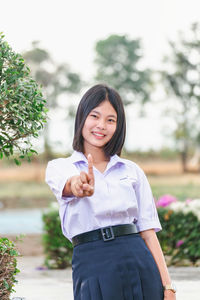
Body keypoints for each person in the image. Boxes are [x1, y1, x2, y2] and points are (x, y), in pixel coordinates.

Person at [45, 84, 176, 300]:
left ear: (118, 126)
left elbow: (148, 231)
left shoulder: (132, 171)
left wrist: (168, 286)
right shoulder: (60, 167)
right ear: (82, 118)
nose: (101, 125)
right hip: (91, 264)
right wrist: (79, 185)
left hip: (138, 261)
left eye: (110, 120)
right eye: (94, 116)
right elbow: (69, 186)